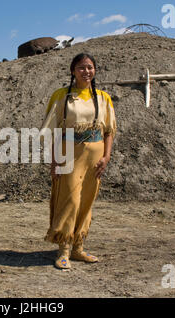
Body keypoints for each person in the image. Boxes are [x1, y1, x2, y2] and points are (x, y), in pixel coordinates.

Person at [41, 53, 117, 269]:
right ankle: (63, 249)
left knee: (86, 200)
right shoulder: (61, 96)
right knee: (70, 199)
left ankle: (78, 248)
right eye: (82, 68)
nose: (86, 72)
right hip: (69, 153)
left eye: (90, 67)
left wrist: (107, 156)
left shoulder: (103, 97)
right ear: (73, 71)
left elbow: (109, 130)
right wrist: (54, 162)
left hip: (95, 154)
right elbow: (54, 131)